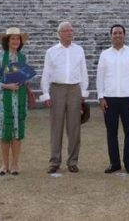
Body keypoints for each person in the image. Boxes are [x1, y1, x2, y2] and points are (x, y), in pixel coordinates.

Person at [40, 21, 89, 174]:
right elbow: (46, 73)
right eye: (66, 31)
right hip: (57, 88)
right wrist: (46, 93)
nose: (70, 33)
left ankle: (73, 161)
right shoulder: (51, 51)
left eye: (71, 30)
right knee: (56, 127)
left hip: (75, 89)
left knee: (74, 127)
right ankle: (54, 161)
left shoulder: (79, 50)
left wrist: (83, 92)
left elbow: (83, 71)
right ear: (59, 33)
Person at [97, 24, 129, 174]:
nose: (117, 35)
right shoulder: (104, 54)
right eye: (115, 33)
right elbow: (100, 77)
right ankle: (114, 163)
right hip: (109, 99)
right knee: (111, 132)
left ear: (124, 35)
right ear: (111, 35)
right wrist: (101, 97)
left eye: (120, 33)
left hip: (128, 98)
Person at [0, 27, 30, 176]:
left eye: (17, 39)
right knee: (5, 133)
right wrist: (6, 85)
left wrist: (24, 82)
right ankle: (4, 164)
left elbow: (25, 77)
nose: (15, 41)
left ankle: (15, 164)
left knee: (16, 133)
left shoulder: (23, 58)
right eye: (12, 38)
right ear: (7, 41)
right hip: (2, 100)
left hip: (19, 99)